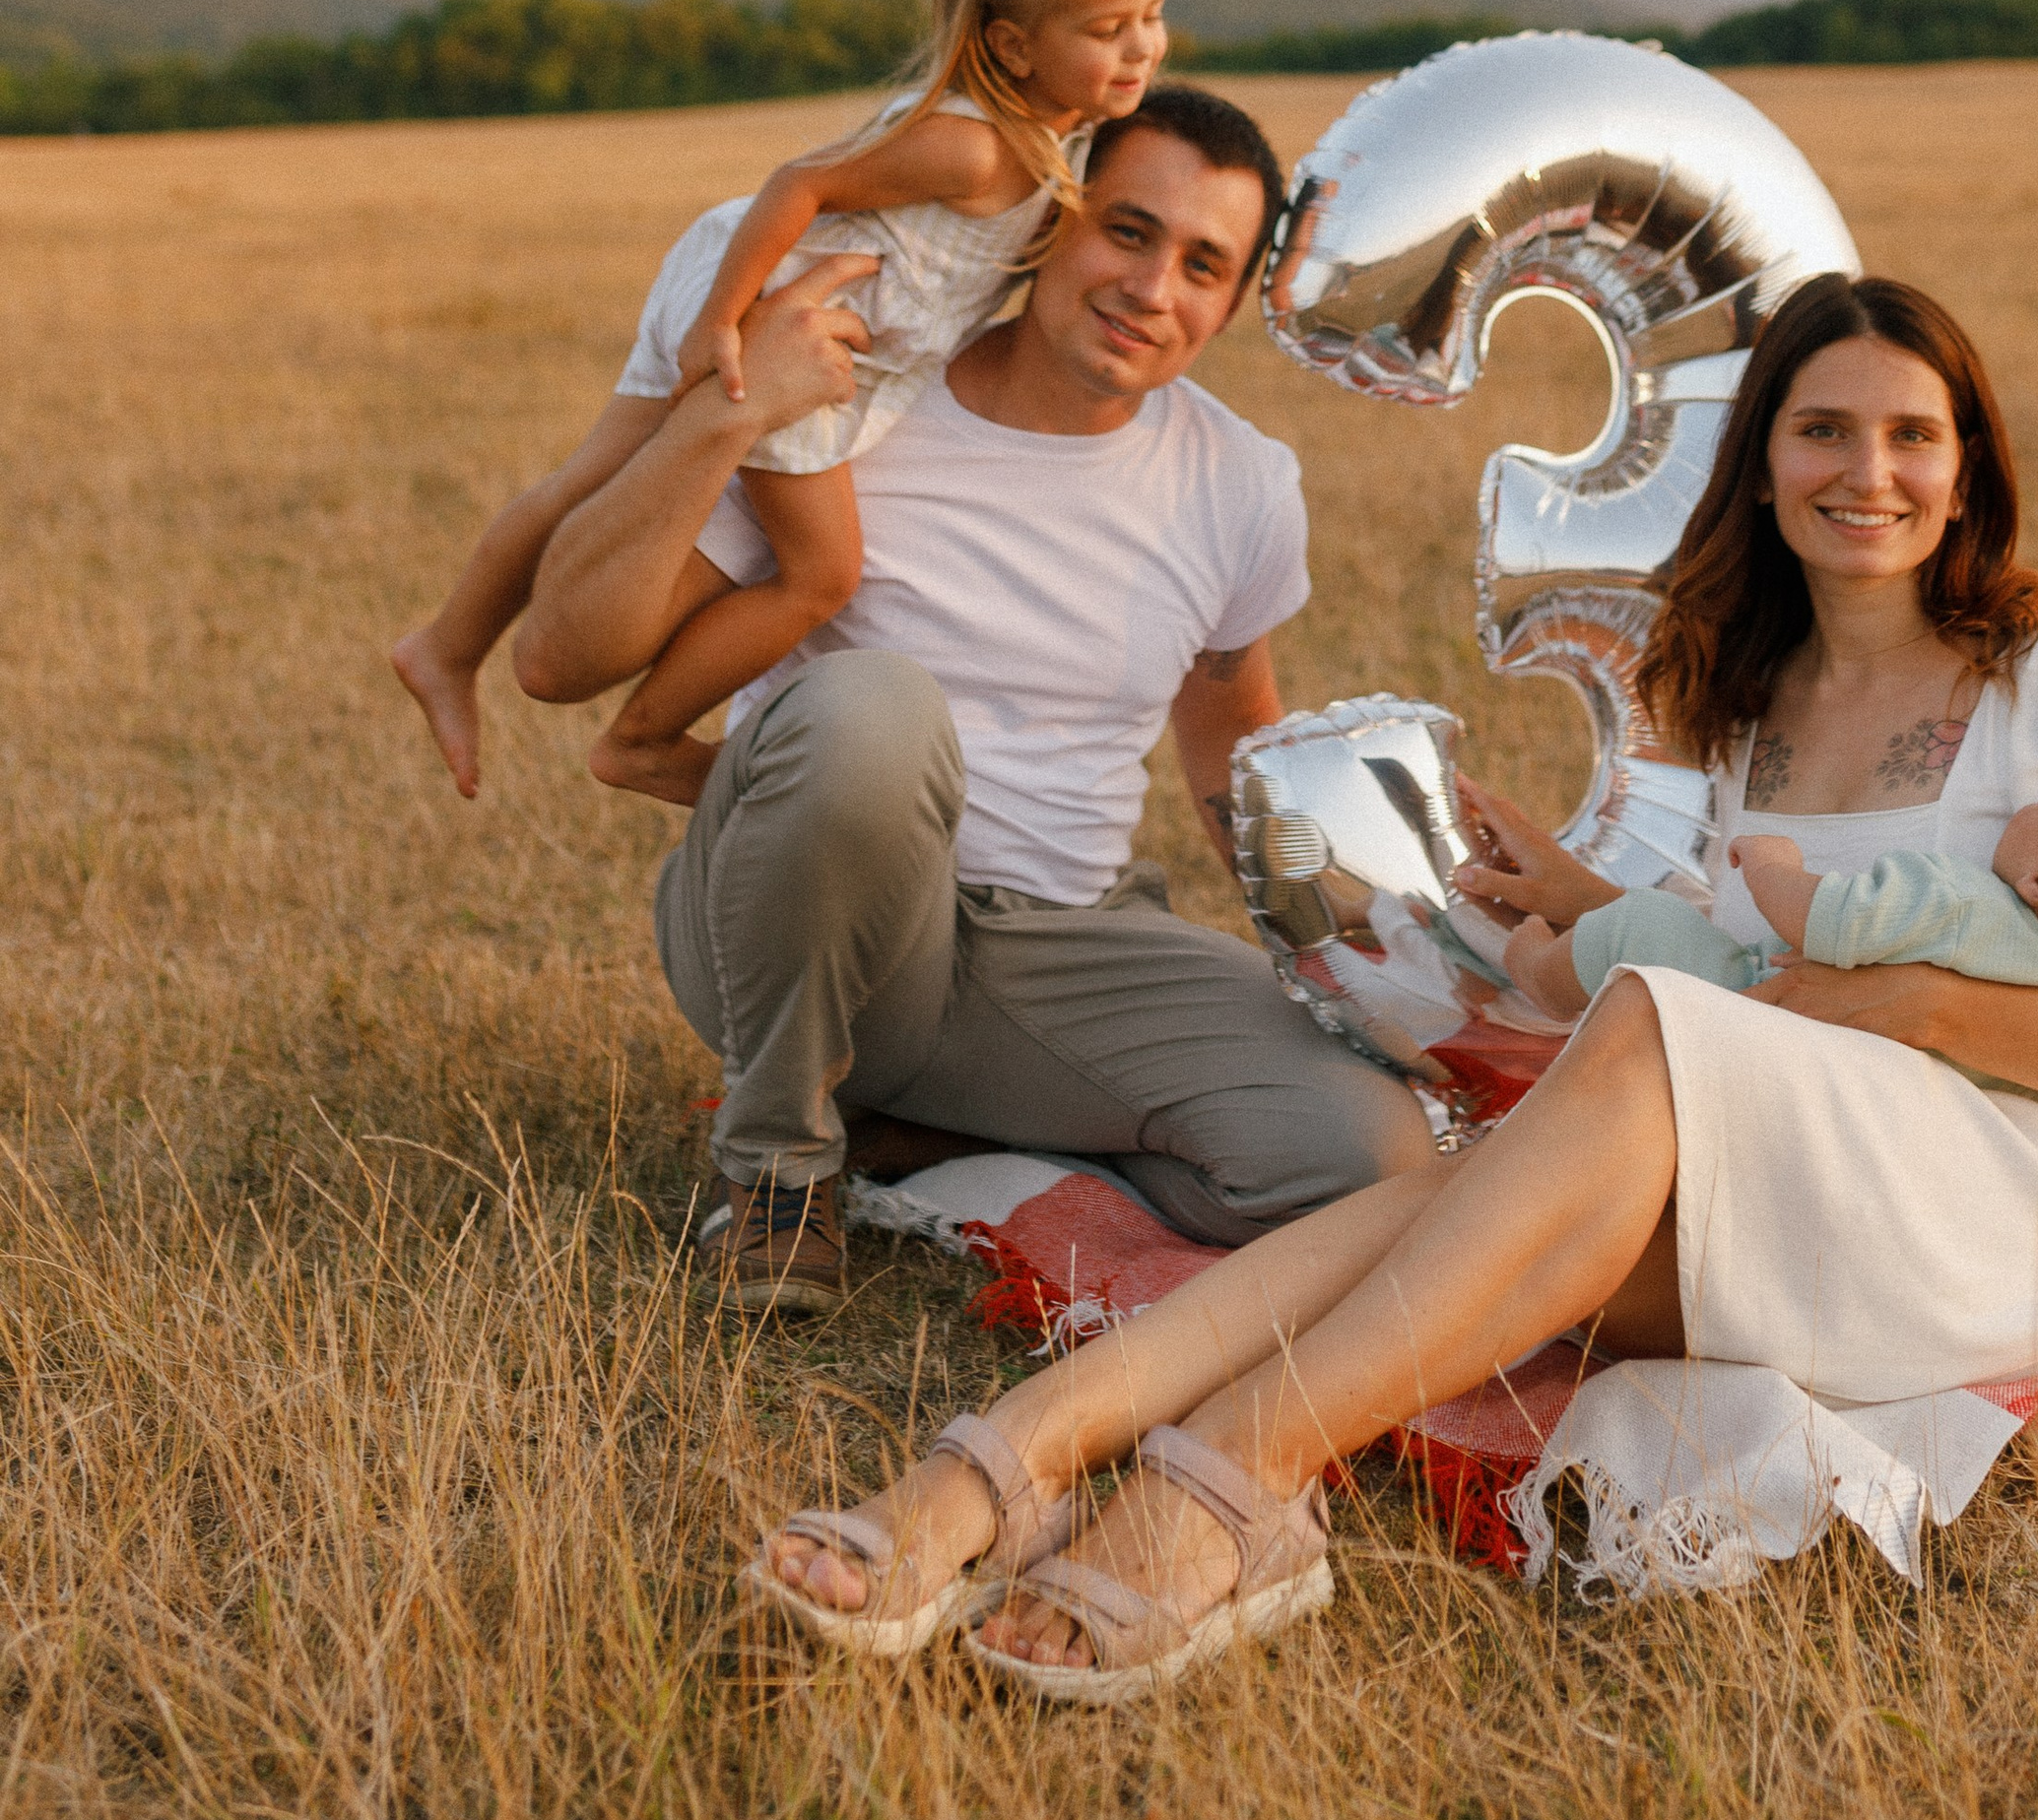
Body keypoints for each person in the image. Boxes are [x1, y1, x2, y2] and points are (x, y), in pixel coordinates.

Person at [746, 270, 2038, 1697]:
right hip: (1828, 1183)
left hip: (2029, 1198)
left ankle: (1238, 1480)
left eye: (1916, 434)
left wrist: (1905, 1009)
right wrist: (1599, 911)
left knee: (1619, 1065)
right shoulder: (1746, 719)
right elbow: (1762, 969)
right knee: (1454, 1212)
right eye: (1825, 429)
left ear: (1968, 471)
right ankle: (999, 1464)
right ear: (1766, 464)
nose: (1872, 470)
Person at [506, 80, 1437, 1306]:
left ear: (1230, 303)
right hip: (811, 932)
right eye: (1127, 230)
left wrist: (1371, 973)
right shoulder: (857, 395)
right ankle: (777, 1168)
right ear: (1053, 219)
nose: (1152, 289)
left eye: (1203, 265)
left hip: (1065, 943)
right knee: (872, 710)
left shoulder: (1242, 482)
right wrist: (726, 415)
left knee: (1367, 1161)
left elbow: (1231, 739)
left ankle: (927, 1141)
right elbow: (556, 657)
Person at [392, 0, 1166, 805]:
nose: (1141, 50)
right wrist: (723, 322)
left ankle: (444, 647)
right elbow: (800, 184)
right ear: (1011, 45)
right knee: (822, 573)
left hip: (741, 280)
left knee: (588, 482)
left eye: (1151, 16)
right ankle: (642, 739)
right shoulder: (975, 146)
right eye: (1105, 29)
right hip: (784, 321)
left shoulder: (1057, 131)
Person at [1504, 771, 2038, 1132]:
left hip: (1760, 1011)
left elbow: (1830, 920)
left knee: (1649, 926)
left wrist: (1775, 864)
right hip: (1876, 1117)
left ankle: (1538, 974)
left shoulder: (1958, 902)